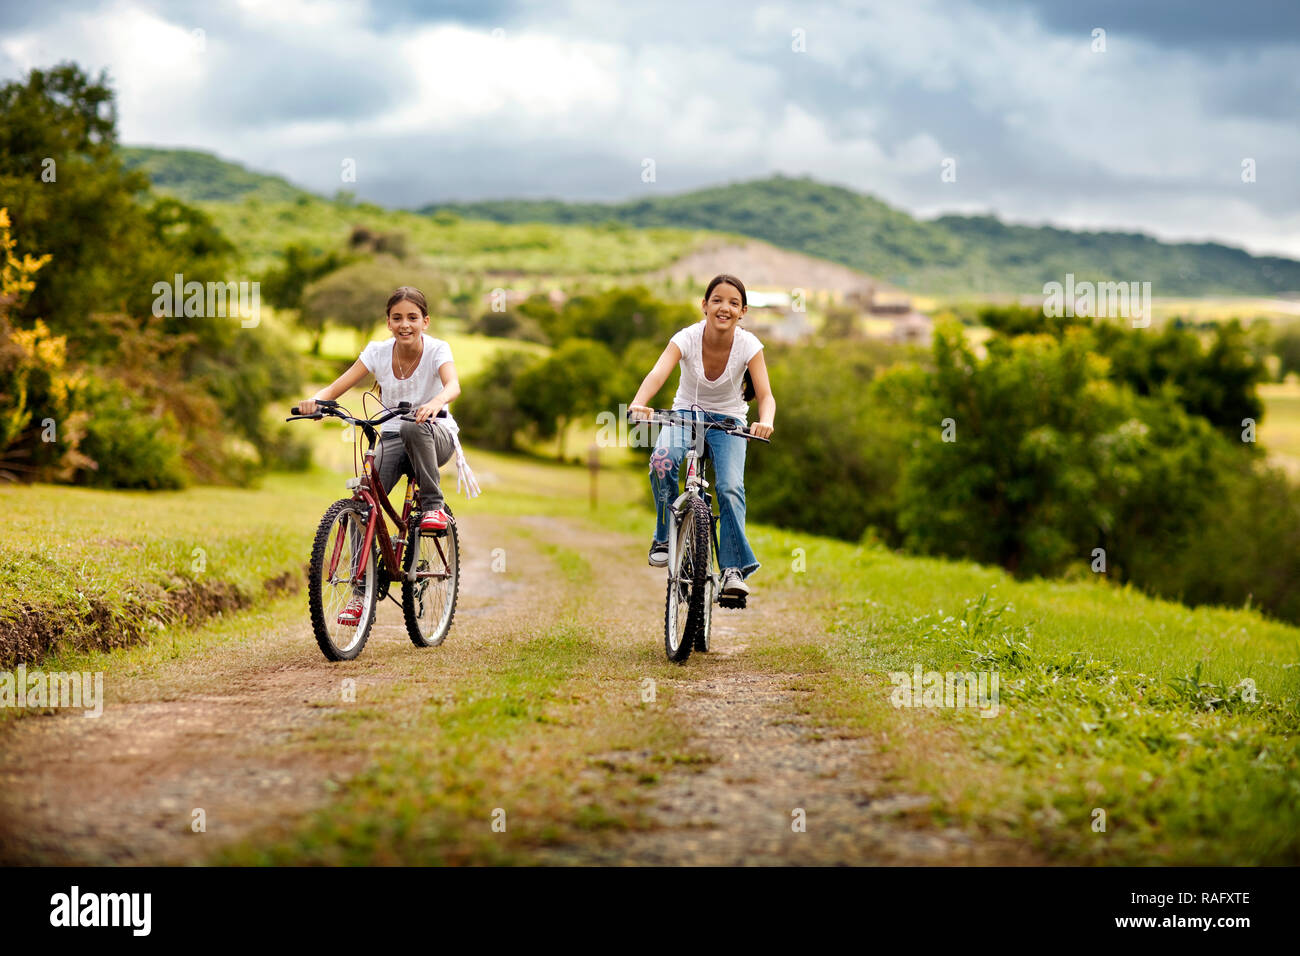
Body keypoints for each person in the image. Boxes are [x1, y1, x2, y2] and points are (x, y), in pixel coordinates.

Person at [296, 286, 480, 625]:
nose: (405, 324)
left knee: (412, 426)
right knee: (362, 501)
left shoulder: (438, 348)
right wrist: (316, 401)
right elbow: (337, 387)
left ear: (425, 321)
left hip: (434, 433)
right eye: (397, 318)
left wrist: (437, 402)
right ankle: (359, 592)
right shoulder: (377, 352)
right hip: (394, 436)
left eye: (412, 317)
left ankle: (433, 507)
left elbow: (453, 385)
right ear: (388, 322)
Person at [629, 273, 775, 598]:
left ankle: (733, 570)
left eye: (733, 303)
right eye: (718, 300)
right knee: (662, 461)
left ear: (743, 311)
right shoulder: (687, 338)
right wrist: (640, 403)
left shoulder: (749, 346)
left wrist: (766, 420)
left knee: (729, 487)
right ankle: (665, 537)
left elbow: (765, 395)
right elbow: (658, 373)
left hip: (730, 423)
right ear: (705, 305)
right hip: (684, 416)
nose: (725, 307)